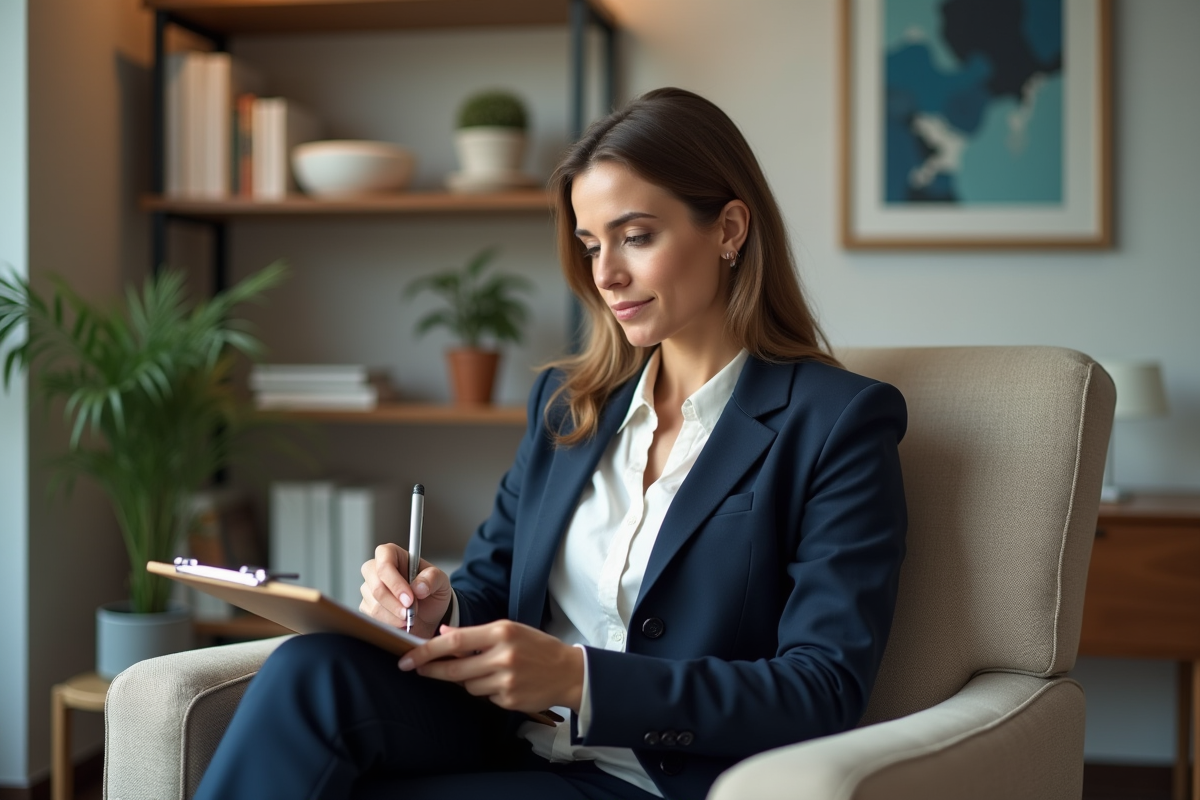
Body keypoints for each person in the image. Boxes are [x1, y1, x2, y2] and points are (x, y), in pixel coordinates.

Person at [192, 87, 907, 800]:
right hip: (507, 733)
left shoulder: (836, 422)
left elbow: (823, 687)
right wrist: (441, 606)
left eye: (636, 236)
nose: (605, 275)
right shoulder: (569, 407)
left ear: (728, 229)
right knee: (310, 668)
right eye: (593, 244)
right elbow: (494, 586)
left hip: (650, 777)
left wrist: (580, 678)